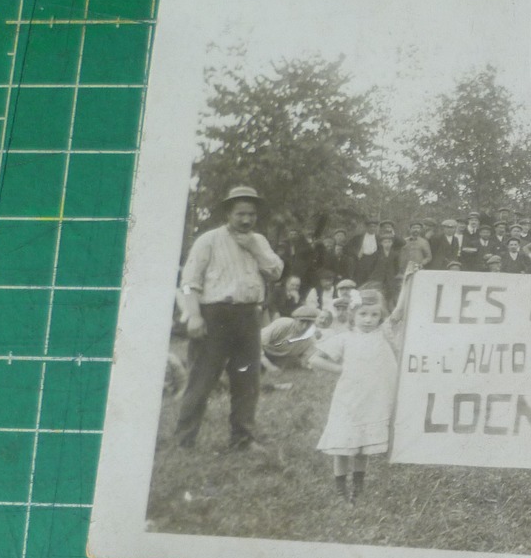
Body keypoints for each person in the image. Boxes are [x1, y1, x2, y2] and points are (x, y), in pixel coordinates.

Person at [172, 185, 284, 450]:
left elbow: (276, 272)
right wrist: (195, 316)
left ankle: (242, 439)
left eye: (251, 215)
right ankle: (183, 440)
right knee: (201, 380)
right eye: (240, 214)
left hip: (248, 316)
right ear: (228, 214)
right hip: (215, 316)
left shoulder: (259, 241)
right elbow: (189, 282)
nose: (246, 220)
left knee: (247, 381)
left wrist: (255, 249)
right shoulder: (208, 240)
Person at [310, 265, 419, 502]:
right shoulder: (345, 339)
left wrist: (408, 281)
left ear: (380, 316)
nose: (369, 320)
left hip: (372, 400)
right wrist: (340, 368)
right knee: (343, 444)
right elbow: (314, 359)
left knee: (362, 445)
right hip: (349, 400)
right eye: (363, 314)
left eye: (374, 315)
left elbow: (399, 311)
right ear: (353, 315)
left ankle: (358, 487)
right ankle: (341, 490)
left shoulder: (383, 333)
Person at [260, 303, 321, 370]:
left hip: (281, 357)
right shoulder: (282, 324)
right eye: (302, 321)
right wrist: (268, 365)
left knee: (294, 364)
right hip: (263, 351)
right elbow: (256, 343)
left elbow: (308, 358)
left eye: (309, 323)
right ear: (295, 319)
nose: (304, 326)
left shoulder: (310, 337)